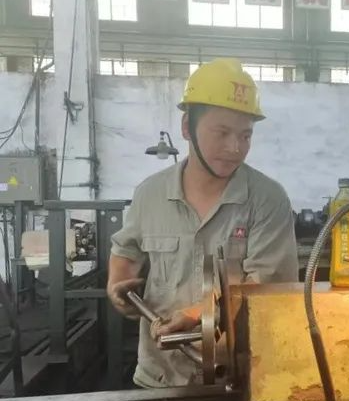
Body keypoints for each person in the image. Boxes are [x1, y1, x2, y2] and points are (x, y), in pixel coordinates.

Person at [106, 58, 299, 388]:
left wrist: (196, 314)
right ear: (187, 127)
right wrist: (118, 284)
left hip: (238, 375)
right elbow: (126, 250)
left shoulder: (267, 199)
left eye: (245, 135)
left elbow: (267, 288)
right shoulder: (149, 194)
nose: (235, 148)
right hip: (161, 376)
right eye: (222, 133)